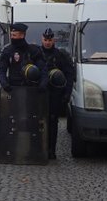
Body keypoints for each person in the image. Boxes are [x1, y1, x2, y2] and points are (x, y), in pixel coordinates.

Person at [40, 28, 74, 159]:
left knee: (52, 122)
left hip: (55, 94)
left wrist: (67, 93)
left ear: (53, 40)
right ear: (41, 39)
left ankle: (51, 150)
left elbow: (69, 74)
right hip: (40, 94)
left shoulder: (60, 55)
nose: (47, 43)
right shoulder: (37, 53)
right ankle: (39, 149)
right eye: (45, 40)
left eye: (49, 40)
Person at [0, 23, 48, 93]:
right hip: (14, 90)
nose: (12, 38)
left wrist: (43, 84)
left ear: (22, 35)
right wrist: (4, 84)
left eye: (14, 35)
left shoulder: (33, 51)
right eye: (11, 35)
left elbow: (43, 69)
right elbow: (1, 70)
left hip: (31, 90)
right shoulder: (8, 51)